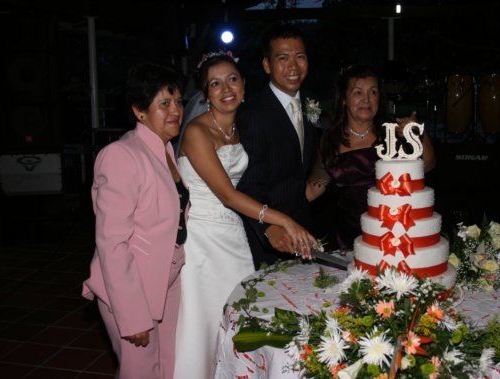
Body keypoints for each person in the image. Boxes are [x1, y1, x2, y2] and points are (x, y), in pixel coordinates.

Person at [174, 51, 319, 379]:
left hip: (234, 236)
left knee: (238, 315)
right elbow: (227, 195)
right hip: (203, 241)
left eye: (232, 80)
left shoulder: (241, 128)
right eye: (215, 84)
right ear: (205, 93)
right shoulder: (197, 132)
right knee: (206, 322)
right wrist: (283, 220)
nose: (225, 89)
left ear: (244, 84)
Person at [82, 63, 187, 379]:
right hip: (131, 287)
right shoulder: (121, 155)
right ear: (139, 111)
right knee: (140, 372)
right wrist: (132, 315)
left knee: (166, 367)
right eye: (164, 103)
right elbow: (112, 243)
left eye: (178, 101)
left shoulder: (165, 149)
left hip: (165, 279)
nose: (176, 111)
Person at [306, 64, 436, 250]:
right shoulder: (331, 139)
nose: (366, 100)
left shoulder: (393, 133)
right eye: (358, 93)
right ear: (344, 99)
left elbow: (427, 165)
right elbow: (315, 187)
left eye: (373, 92)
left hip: (394, 232)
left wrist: (418, 134)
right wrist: (279, 213)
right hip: (348, 238)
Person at [236, 23, 322, 268]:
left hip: (304, 229)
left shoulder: (311, 101)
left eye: (300, 56)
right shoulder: (252, 113)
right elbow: (248, 182)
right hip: (270, 238)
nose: (293, 66)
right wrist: (269, 228)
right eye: (283, 58)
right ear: (267, 65)